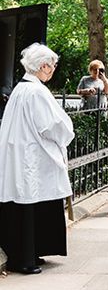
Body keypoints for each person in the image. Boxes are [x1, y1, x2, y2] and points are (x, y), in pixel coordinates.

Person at [0, 43, 74, 274]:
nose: (52, 70)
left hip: (22, 154)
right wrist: (67, 132)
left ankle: (29, 253)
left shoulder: (21, 89)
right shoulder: (36, 91)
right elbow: (52, 125)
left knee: (26, 203)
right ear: (43, 66)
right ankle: (25, 259)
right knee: (30, 201)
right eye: (52, 66)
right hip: (32, 156)